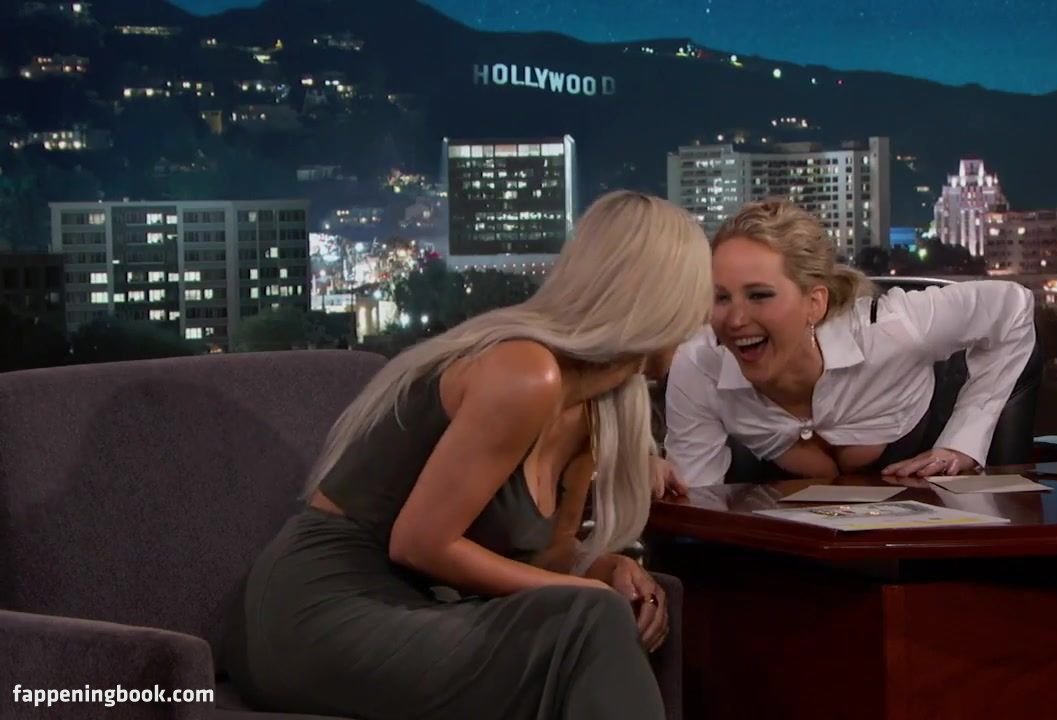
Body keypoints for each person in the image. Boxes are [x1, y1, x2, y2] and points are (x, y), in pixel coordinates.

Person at [222, 191, 713, 720]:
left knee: (593, 623)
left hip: (415, 609)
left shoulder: (596, 412)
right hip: (315, 609)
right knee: (592, 622)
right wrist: (588, 594)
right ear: (662, 299)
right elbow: (420, 544)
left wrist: (603, 569)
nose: (705, 317)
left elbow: (542, 562)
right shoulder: (524, 372)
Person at [663, 198, 1037, 488]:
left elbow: (1012, 307)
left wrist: (962, 441)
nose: (734, 320)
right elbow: (697, 501)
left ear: (815, 302)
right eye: (721, 297)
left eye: (759, 295)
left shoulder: (893, 327)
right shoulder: (700, 363)